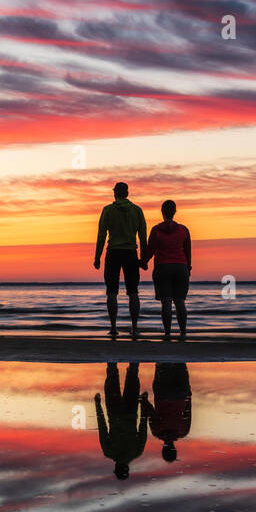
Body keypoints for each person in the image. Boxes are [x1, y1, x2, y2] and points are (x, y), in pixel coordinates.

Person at [93, 182, 148, 340]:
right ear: (127, 193)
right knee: (133, 292)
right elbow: (143, 237)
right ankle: (135, 327)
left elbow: (101, 235)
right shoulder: (136, 210)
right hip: (130, 252)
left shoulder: (108, 210)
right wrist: (144, 258)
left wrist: (97, 257)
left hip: (113, 253)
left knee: (111, 292)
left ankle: (113, 327)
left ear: (115, 194)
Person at [142, 199, 191, 342]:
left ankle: (167, 333)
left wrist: (143, 261)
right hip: (180, 267)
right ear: (175, 211)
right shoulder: (183, 230)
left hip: (163, 267)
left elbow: (150, 250)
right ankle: (183, 332)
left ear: (162, 212)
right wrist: (188, 268)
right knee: (180, 302)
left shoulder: (156, 230)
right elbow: (188, 252)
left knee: (166, 302)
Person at [94, 362, 152, 479]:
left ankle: (134, 352)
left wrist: (143, 404)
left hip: (131, 412)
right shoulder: (109, 452)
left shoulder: (137, 452)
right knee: (112, 376)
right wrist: (98, 405)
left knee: (132, 376)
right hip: (114, 413)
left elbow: (143, 427)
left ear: (127, 468)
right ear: (116, 468)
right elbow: (102, 428)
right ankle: (112, 349)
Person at [148, 362, 191, 462]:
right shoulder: (157, 431)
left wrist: (188, 394)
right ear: (163, 449)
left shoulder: (183, 431)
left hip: (180, 394)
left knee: (181, 363)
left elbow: (188, 411)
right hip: (162, 394)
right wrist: (144, 401)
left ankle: (179, 347)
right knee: (163, 363)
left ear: (175, 449)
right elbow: (151, 413)